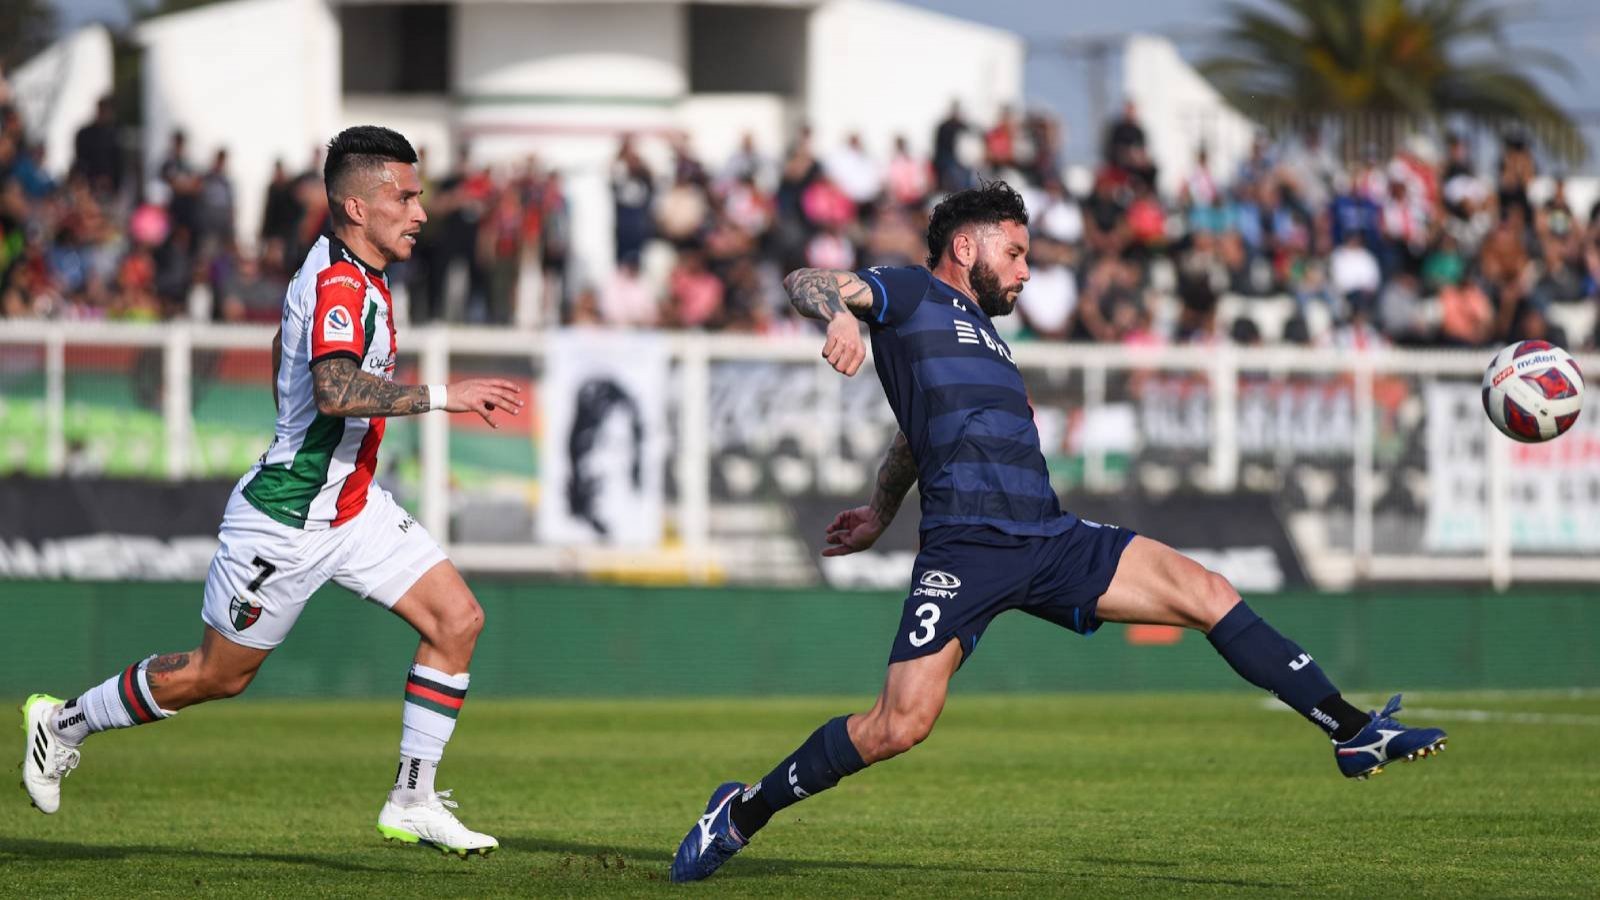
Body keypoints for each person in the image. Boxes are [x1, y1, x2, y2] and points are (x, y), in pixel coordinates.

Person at [670, 181, 1448, 882]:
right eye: (1014, 252)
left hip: (1051, 539)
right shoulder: (905, 292)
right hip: (966, 551)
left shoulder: (991, 339)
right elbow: (805, 280)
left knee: (1208, 591)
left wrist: (879, 510)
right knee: (898, 726)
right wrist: (839, 315)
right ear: (965, 247)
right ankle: (740, 813)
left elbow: (915, 436)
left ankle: (1351, 732)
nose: (1025, 271)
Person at [21, 126, 523, 857]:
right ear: (356, 206)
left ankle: (412, 799)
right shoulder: (340, 283)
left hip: (353, 505)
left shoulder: (367, 270)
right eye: (404, 196)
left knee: (458, 620)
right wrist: (445, 394)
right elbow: (333, 389)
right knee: (216, 677)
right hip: (286, 520)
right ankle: (61, 723)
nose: (420, 211)